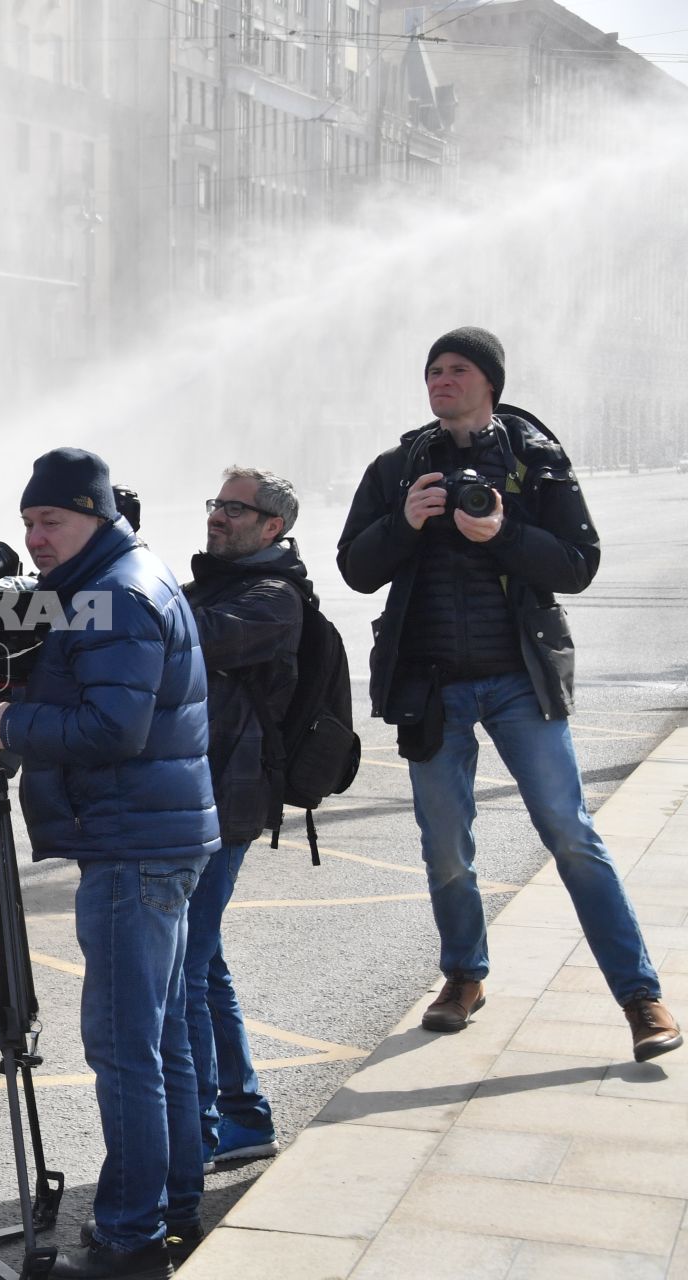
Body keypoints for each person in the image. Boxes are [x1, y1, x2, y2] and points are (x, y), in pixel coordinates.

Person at [337, 326, 680, 1060]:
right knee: (445, 849)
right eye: (432, 369)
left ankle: (640, 996)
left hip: (519, 681)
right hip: (432, 687)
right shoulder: (400, 468)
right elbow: (355, 569)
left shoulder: (538, 462)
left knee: (572, 834)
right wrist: (404, 522)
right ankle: (463, 977)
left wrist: (500, 532)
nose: (441, 379)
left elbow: (578, 564)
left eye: (457, 369)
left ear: (489, 381)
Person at [0, 448, 218, 1280]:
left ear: (96, 516)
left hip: (132, 845)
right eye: (29, 523)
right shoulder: (117, 576)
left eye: (52, 521)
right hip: (156, 835)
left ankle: (128, 1240)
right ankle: (174, 1209)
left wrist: (9, 729)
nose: (37, 538)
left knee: (124, 1049)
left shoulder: (114, 595)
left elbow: (114, 731)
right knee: (163, 1040)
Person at [183, 467, 309, 1170]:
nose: (218, 516)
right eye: (216, 503)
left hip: (226, 799)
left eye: (236, 508)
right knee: (206, 962)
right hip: (203, 791)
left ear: (273, 527)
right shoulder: (218, 586)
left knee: (191, 967)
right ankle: (244, 1116)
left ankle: (199, 1131)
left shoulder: (272, 598)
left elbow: (191, 638)